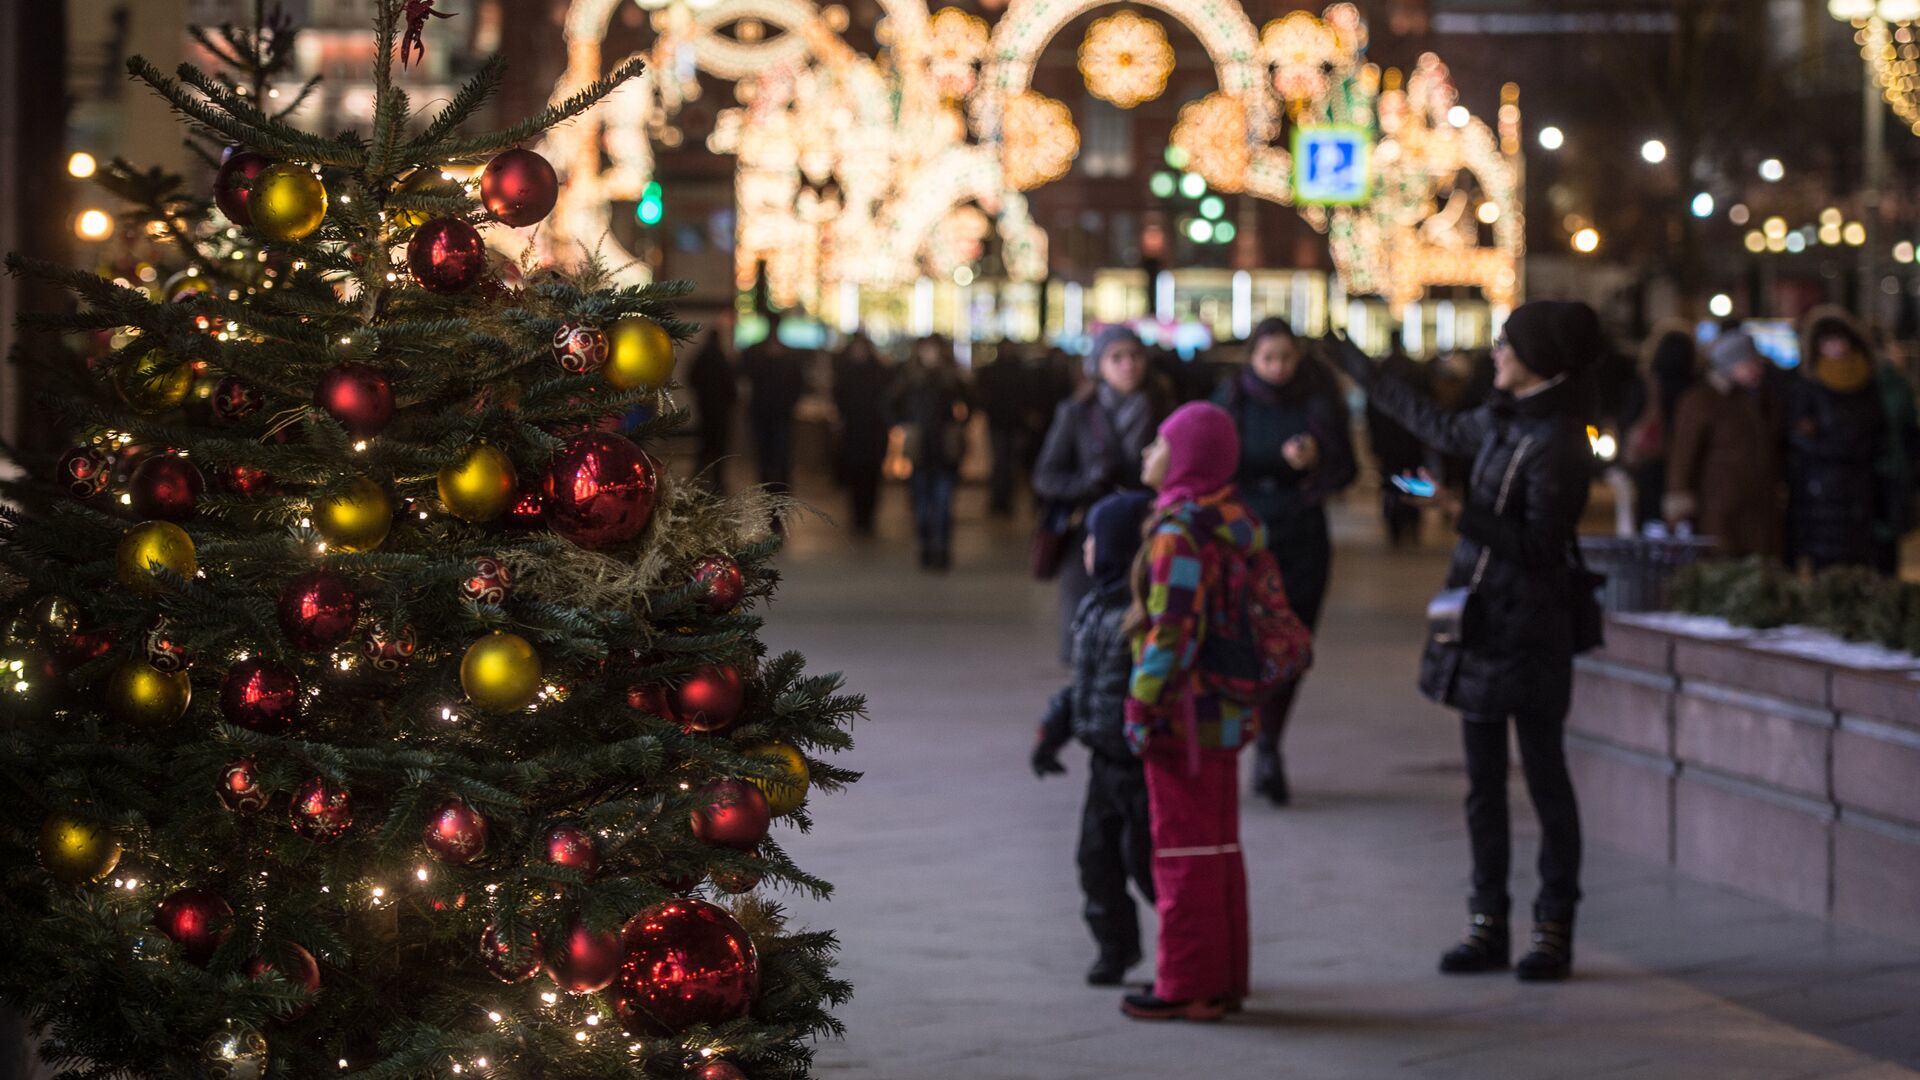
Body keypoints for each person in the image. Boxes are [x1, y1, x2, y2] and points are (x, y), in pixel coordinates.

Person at [1331, 299, 1603, 983]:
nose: (1494, 355)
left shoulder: (1561, 441)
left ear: (1538, 358)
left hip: (1533, 625)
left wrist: (1457, 510)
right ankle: (1486, 924)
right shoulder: (1503, 418)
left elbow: (1540, 548)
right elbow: (1439, 425)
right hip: (1481, 621)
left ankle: (1552, 928)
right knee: (1482, 783)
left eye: (1506, 345)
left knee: (1543, 776)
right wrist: (1365, 373)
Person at [1119, 402, 1261, 1021]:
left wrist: (1140, 706)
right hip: (1222, 712)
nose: (1148, 453)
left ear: (1188, 458)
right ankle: (1221, 978)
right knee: (1216, 849)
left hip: (1185, 718)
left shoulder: (1180, 533)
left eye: (1160, 443)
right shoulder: (1229, 522)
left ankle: (1187, 985)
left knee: (1180, 854)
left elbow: (1171, 633)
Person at [1213, 317, 1356, 806]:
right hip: (1241, 537)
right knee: (1241, 643)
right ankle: (1240, 740)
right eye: (1268, 358)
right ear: (1251, 357)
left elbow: (1347, 469)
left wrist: (1315, 461)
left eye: (1286, 358)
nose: (1277, 368)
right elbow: (1208, 462)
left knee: (1289, 646)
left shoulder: (1317, 398)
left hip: (1300, 538)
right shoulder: (1232, 398)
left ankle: (1271, 744)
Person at [1031, 490, 1157, 987]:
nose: (1084, 548)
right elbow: (1081, 687)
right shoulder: (1092, 608)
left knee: (1146, 866)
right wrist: (1051, 733)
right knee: (1096, 863)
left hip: (1141, 768)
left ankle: (1178, 949)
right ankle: (1115, 948)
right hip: (1103, 767)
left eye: (1091, 540)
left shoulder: (1139, 616)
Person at [1033, 327, 1171, 661]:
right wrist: (1087, 482)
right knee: (1088, 641)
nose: (1128, 365)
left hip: (1147, 534)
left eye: (1136, 356)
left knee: (1142, 637)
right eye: (1117, 358)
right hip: (1090, 537)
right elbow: (1045, 477)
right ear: (1098, 365)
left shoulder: (1163, 408)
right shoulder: (1076, 412)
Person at [1663, 331, 1783, 558]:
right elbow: (1683, 457)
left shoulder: (1757, 400)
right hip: (1718, 512)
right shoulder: (1700, 402)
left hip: (1756, 511)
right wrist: (1679, 507)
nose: (1758, 368)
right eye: (1750, 362)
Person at [1787, 308, 1887, 571]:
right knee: (1827, 561)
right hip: (1822, 487)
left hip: (1863, 483)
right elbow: (1798, 434)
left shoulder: (1867, 380)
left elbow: (1880, 427)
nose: (1837, 347)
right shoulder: (1809, 385)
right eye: (1829, 342)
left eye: (1841, 340)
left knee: (1861, 560)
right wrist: (1830, 449)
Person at [885, 336, 974, 569]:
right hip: (920, 448)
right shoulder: (910, 377)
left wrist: (958, 425)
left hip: (944, 447)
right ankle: (926, 547)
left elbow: (973, 400)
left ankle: (942, 549)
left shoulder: (951, 377)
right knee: (923, 504)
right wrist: (904, 424)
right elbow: (889, 403)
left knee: (943, 504)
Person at [1618, 322, 1699, 530]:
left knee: (1652, 524)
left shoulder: (1647, 385)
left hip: (1651, 464)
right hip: (1688, 467)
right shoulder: (1697, 388)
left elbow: (1628, 422)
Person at [1369, 332, 1429, 547]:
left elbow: (1372, 410)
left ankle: (1394, 523)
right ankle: (1412, 521)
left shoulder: (1381, 371)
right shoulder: (1415, 370)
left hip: (1388, 441)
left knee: (1390, 482)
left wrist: (1374, 441)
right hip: (1411, 439)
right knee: (1413, 480)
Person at [831, 333, 894, 536]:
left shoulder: (880, 374)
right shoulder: (846, 374)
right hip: (854, 432)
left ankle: (867, 517)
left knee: (872, 476)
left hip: (873, 433)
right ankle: (858, 516)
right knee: (856, 476)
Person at [741, 313, 808, 498]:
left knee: (778, 455)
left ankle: (777, 490)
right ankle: (772, 490)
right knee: (768, 456)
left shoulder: (759, 352)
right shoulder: (763, 353)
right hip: (767, 413)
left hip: (776, 413)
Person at [685, 320, 739, 492]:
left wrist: (700, 396)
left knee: (705, 446)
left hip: (705, 409)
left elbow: (691, 377)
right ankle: (717, 482)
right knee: (718, 448)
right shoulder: (722, 358)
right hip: (720, 412)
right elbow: (730, 385)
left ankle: (699, 480)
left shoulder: (701, 356)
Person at [976, 348, 1030, 516]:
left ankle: (1001, 501)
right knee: (1005, 463)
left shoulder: (997, 372)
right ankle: (1002, 501)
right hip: (1006, 423)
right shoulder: (1018, 372)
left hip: (1004, 423)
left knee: (1002, 463)